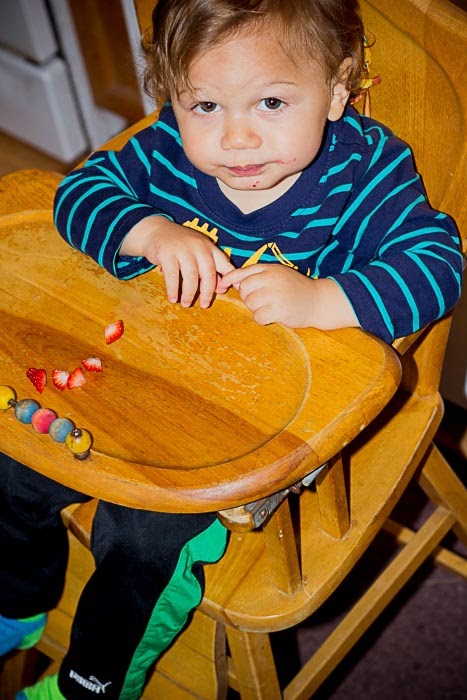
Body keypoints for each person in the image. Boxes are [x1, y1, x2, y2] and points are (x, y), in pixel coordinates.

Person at [1, 0, 463, 698]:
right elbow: (80, 196)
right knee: (9, 463)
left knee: (142, 540)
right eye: (205, 105)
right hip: (136, 378)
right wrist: (149, 231)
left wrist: (325, 300)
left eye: (272, 101)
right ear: (170, 96)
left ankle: (93, 682)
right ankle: (14, 601)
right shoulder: (164, 152)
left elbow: (438, 265)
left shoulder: (364, 173)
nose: (237, 139)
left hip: (261, 425)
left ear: (337, 91)